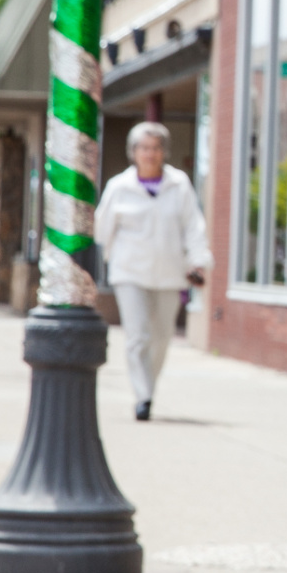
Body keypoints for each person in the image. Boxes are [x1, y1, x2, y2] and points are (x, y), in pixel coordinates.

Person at [96, 121, 210, 420]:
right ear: (134, 152)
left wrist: (198, 261)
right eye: (144, 148)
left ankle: (148, 387)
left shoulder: (179, 184)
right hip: (129, 272)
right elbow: (102, 229)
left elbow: (193, 227)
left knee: (160, 338)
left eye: (156, 148)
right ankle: (143, 397)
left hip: (169, 273)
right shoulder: (119, 187)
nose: (150, 154)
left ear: (164, 153)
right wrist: (110, 260)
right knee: (138, 336)